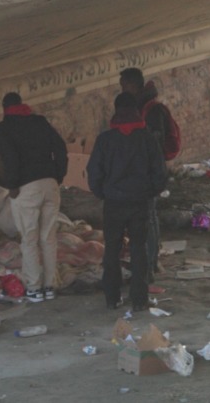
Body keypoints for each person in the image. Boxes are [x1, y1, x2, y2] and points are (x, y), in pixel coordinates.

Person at [86, 91, 167, 312]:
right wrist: (151, 191)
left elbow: (93, 171)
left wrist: (102, 192)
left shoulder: (105, 140)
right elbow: (160, 172)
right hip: (139, 201)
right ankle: (139, 299)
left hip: (114, 202)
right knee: (138, 248)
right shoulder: (147, 139)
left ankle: (112, 298)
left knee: (111, 249)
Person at [0, 92, 68, 303]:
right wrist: (58, 175)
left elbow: (10, 158)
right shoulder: (39, 122)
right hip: (50, 183)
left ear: (4, 109)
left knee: (29, 238)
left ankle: (34, 288)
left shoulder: (4, 128)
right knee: (48, 237)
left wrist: (12, 185)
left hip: (26, 187)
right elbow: (60, 148)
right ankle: (50, 285)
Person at [118, 68, 180, 278]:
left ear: (133, 85)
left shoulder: (151, 111)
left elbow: (155, 143)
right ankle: (150, 261)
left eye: (123, 85)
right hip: (147, 170)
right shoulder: (143, 108)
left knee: (149, 217)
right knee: (149, 216)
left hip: (148, 171)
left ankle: (151, 263)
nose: (122, 89)